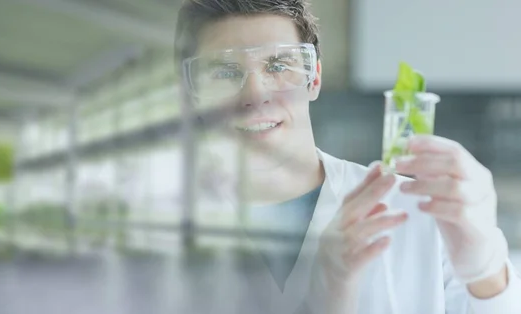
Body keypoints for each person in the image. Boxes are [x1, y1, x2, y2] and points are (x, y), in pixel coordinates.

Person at [174, 0, 521, 313]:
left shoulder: (416, 211)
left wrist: (487, 274)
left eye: (278, 65)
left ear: (314, 78)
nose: (255, 94)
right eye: (223, 71)